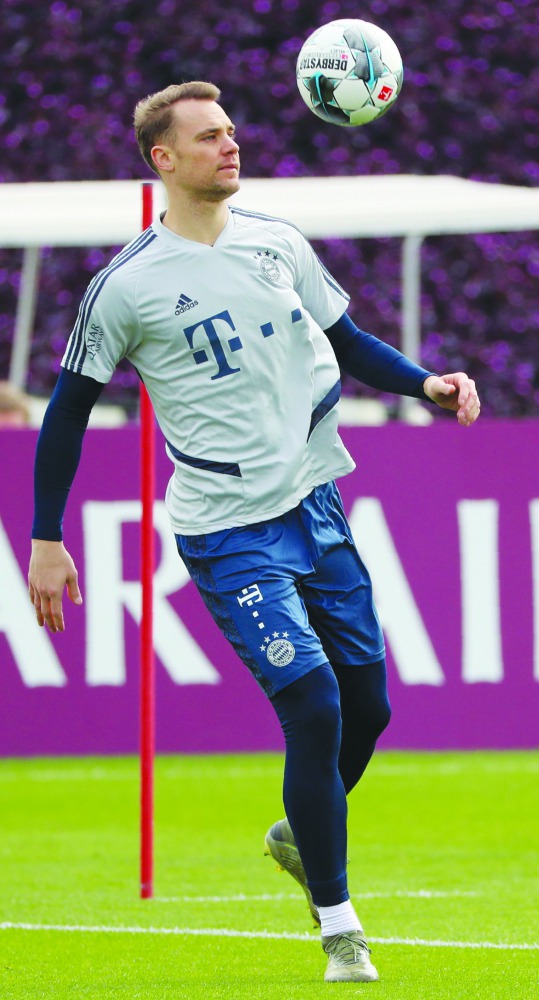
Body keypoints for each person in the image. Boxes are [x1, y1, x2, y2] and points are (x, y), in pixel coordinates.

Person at [28, 81, 481, 983]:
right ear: (162, 159)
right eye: (208, 136)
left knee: (368, 710)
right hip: (228, 528)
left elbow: (347, 339)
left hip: (314, 501)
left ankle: (297, 836)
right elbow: (68, 412)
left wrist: (425, 383)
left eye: (231, 131)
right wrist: (46, 537)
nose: (229, 145)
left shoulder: (277, 241)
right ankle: (340, 929)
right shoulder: (125, 287)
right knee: (311, 704)